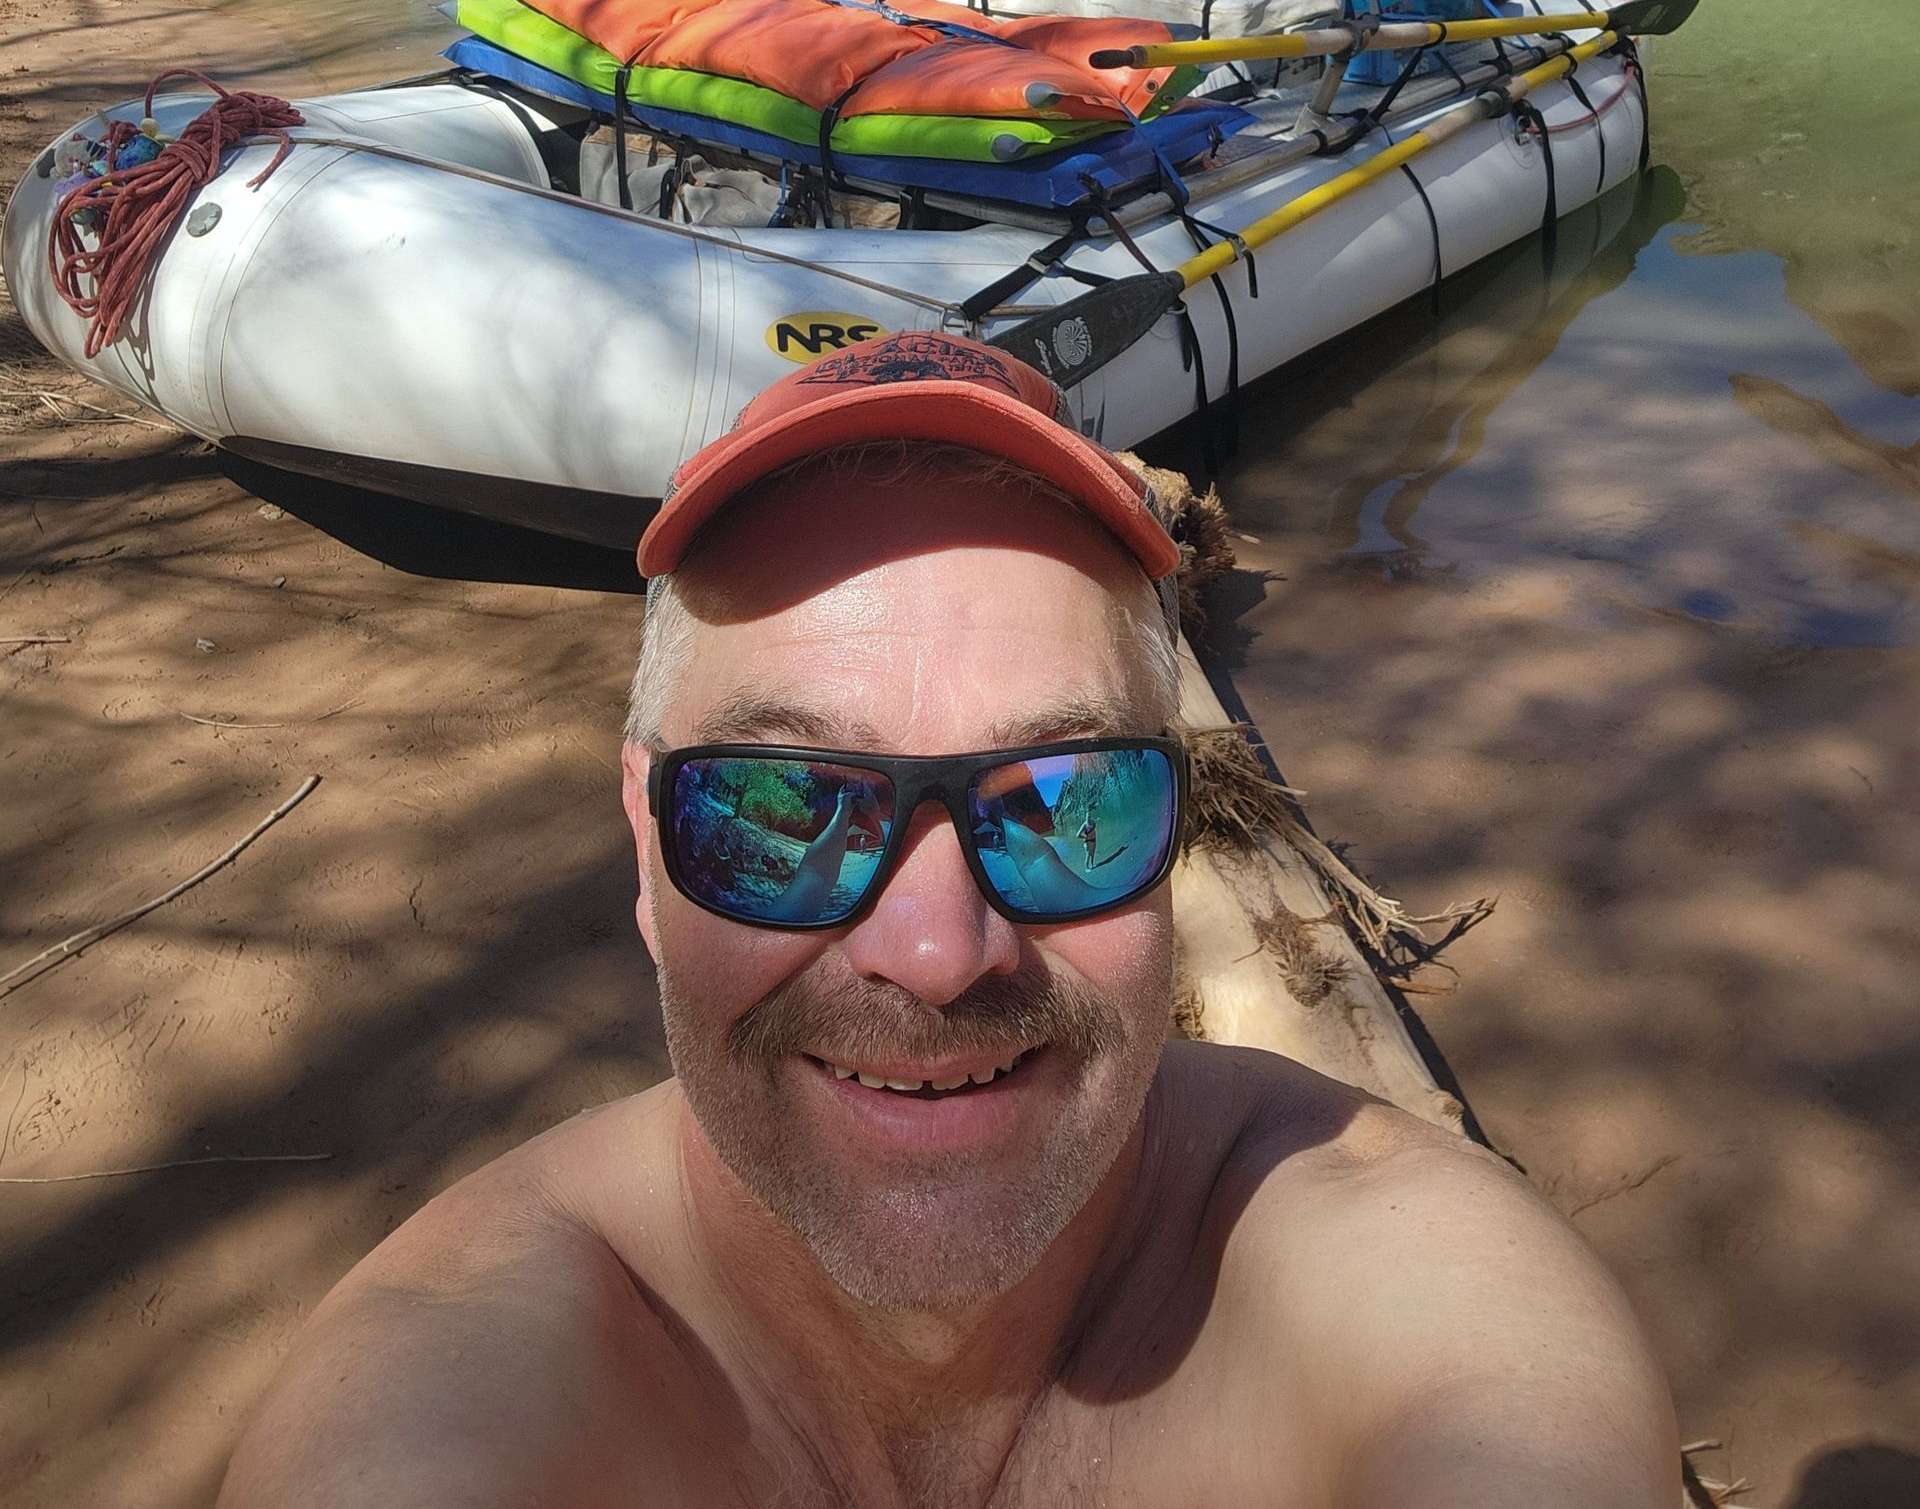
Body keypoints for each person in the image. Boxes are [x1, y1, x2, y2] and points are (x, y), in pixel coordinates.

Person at [218, 330, 1678, 1509]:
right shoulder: (456, 1398)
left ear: (1171, 843)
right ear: (646, 850)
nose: (934, 952)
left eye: (1068, 800)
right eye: (783, 810)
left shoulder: (1400, 1284)